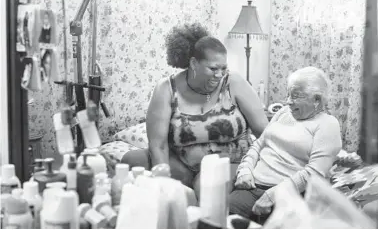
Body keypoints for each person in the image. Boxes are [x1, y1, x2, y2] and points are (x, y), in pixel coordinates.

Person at [121, 23, 268, 197]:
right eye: (213, 68)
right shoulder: (166, 89)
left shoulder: (234, 83)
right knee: (132, 160)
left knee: (206, 183)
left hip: (232, 161)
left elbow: (265, 133)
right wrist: (163, 181)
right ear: (193, 63)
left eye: (223, 68)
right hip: (184, 163)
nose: (219, 75)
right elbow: (158, 145)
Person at [229, 66, 342, 221]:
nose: (288, 101)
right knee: (218, 217)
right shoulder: (283, 113)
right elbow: (258, 144)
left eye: (295, 96)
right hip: (252, 186)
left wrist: (274, 194)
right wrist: (245, 170)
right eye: (288, 94)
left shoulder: (327, 124)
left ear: (316, 99)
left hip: (290, 193)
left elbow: (315, 173)